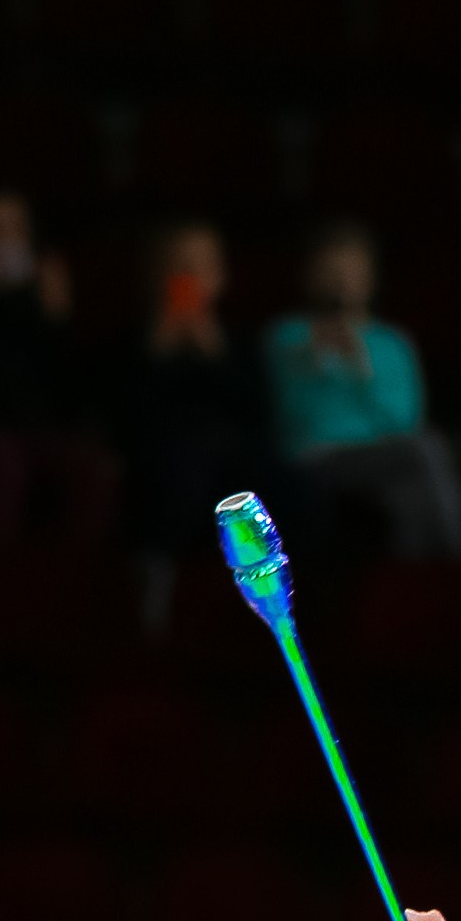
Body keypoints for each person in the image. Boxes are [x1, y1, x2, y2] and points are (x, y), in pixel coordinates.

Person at [263, 222, 461, 560]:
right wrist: (314, 361)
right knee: (421, 457)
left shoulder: (393, 344)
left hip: (385, 455)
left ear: (369, 279)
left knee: (412, 480)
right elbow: (295, 420)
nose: (341, 283)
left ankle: (429, 582)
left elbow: (406, 421)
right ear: (310, 276)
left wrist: (361, 370)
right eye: (331, 272)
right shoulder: (288, 337)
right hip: (318, 458)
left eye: (350, 272)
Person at [112, 221, 267, 630]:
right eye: (177, 269)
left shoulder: (239, 343)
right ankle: (154, 585)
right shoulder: (131, 341)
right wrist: (157, 352)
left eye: (199, 269)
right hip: (163, 456)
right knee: (183, 469)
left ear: (220, 277)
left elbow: (259, 414)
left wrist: (214, 354)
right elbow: (119, 417)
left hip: (238, 458)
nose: (189, 280)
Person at [0, 190, 115, 559]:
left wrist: (57, 317)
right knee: (0, 465)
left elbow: (72, 386)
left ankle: (71, 590)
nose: (3, 242)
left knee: (90, 470)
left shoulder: (43, 296)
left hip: (40, 428)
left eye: (13, 230)